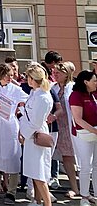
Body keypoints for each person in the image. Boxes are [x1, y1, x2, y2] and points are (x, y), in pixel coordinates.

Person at [0, 62, 27, 204]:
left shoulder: (16, 89)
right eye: (8, 75)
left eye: (12, 75)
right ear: (0, 74)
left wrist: (19, 108)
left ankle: (11, 191)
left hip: (10, 127)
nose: (10, 78)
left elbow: (27, 101)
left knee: (12, 158)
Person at [20, 64, 54, 206]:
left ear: (32, 79)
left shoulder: (43, 97)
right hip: (31, 134)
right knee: (34, 172)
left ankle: (47, 203)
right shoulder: (35, 93)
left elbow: (36, 122)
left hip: (36, 135)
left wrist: (24, 133)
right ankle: (37, 201)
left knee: (39, 173)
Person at [69, 70, 97, 206]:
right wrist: (94, 131)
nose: (96, 83)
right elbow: (78, 119)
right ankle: (84, 196)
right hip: (84, 134)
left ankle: (95, 194)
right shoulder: (76, 95)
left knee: (96, 165)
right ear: (86, 82)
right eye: (94, 80)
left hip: (95, 132)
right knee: (86, 166)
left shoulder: (94, 94)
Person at [53, 62, 79, 200]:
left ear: (67, 73)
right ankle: (74, 188)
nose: (55, 74)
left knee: (77, 157)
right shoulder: (53, 88)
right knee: (67, 158)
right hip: (59, 127)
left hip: (72, 126)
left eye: (59, 72)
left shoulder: (74, 88)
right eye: (55, 72)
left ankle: (84, 186)